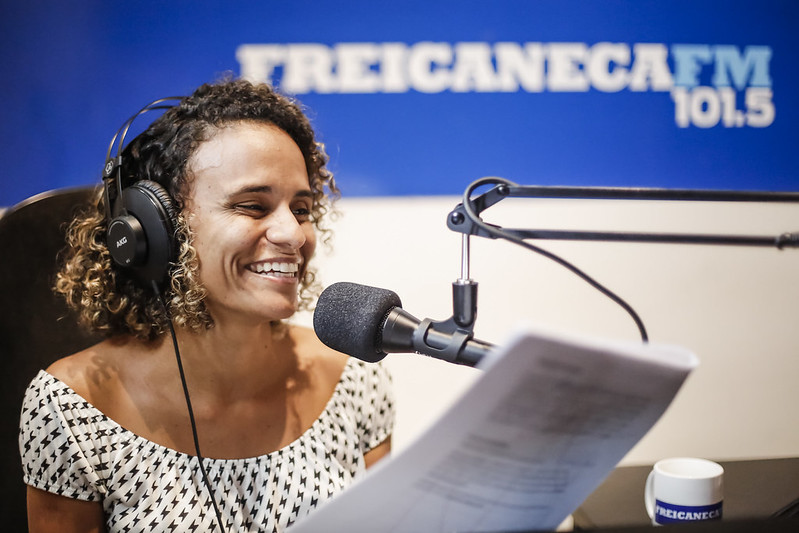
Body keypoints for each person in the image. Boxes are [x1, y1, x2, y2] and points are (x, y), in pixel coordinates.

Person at [19, 79, 395, 532]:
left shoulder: (354, 376)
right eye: (253, 207)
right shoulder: (72, 408)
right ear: (158, 232)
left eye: (301, 209)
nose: (294, 236)